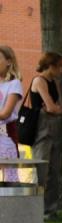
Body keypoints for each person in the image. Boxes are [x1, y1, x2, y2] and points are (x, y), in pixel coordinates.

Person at [30, 52, 62, 218]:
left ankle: (50, 209)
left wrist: (54, 109)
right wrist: (53, 109)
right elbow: (52, 107)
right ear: (50, 66)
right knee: (41, 171)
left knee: (54, 171)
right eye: (59, 66)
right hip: (41, 132)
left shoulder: (55, 82)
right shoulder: (39, 81)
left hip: (55, 131)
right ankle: (36, 209)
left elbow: (61, 107)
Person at [0, 45, 23, 182]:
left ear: (9, 61)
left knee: (10, 178)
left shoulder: (14, 84)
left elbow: (5, 113)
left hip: (6, 135)